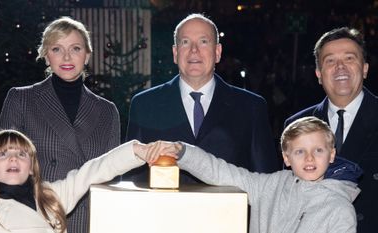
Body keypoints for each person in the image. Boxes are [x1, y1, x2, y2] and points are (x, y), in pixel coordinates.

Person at [0, 16, 120, 232]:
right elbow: (4, 168)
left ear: (87, 55)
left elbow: (113, 176)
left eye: (75, 48)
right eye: (56, 49)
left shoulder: (107, 111)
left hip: (90, 218)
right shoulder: (21, 99)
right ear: (46, 56)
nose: (66, 57)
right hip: (35, 217)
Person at [125, 13, 280, 183]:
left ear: (217, 52)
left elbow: (267, 183)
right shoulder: (145, 105)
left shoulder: (251, 108)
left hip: (229, 209)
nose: (194, 50)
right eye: (185, 42)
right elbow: (133, 180)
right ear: (175, 53)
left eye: (203, 41)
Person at [149, 117, 362, 233]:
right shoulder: (270, 186)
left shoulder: (339, 209)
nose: (309, 158)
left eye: (318, 150)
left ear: (331, 154)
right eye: (299, 151)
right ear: (286, 158)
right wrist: (183, 152)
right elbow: (222, 172)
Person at [0, 129, 159, 233]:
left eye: (22, 154)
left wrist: (135, 152)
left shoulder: (49, 195)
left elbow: (91, 172)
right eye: (3, 153)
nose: (13, 158)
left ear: (32, 166)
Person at [284, 27, 378, 232]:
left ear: (365, 68)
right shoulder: (297, 124)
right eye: (330, 61)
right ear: (318, 74)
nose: (340, 67)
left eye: (349, 58)